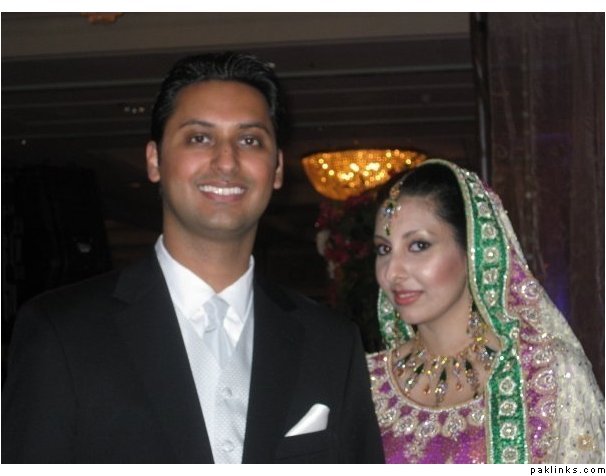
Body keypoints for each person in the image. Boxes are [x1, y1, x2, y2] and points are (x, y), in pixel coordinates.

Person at [2, 52, 384, 464]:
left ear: (276, 168)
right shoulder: (62, 332)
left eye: (250, 140)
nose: (226, 161)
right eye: (199, 138)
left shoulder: (330, 342)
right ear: (154, 160)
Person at [367, 159, 604, 464]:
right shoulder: (365, 383)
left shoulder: (548, 373)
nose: (392, 272)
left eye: (418, 246)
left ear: (474, 248)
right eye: (384, 249)